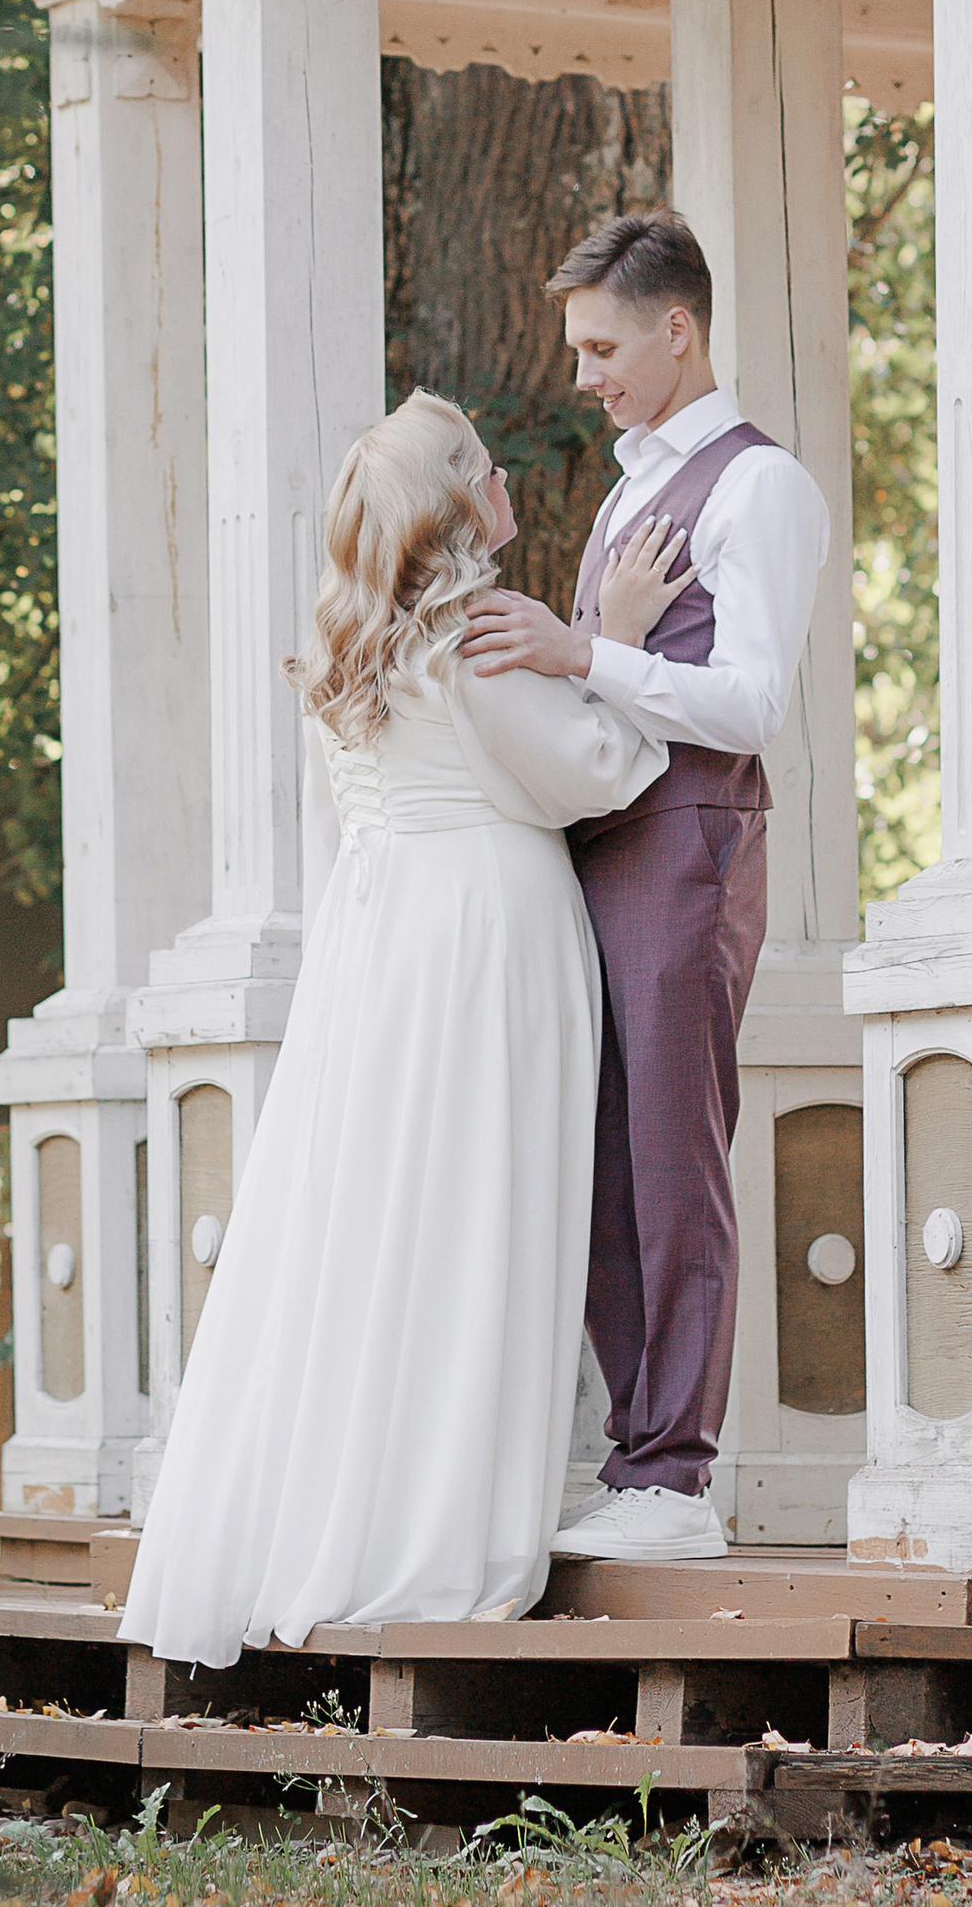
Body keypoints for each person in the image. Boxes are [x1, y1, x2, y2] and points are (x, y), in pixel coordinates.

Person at [121, 391, 679, 1669]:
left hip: (376, 946)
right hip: (481, 936)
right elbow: (590, 769)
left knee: (375, 1230)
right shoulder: (473, 630)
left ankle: (334, 1513)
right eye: (485, 469)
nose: (506, 484)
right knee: (475, 1217)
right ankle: (428, 1535)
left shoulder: (353, 640)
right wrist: (618, 636)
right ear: (459, 502)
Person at [463, 210, 829, 1566]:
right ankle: (635, 1456)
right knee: (605, 1154)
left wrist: (582, 655)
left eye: (604, 346)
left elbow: (749, 700)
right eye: (579, 350)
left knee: (675, 1158)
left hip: (690, 839)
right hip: (606, 841)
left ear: (681, 329)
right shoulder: (630, 488)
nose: (588, 375)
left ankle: (677, 1476)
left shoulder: (760, 488)